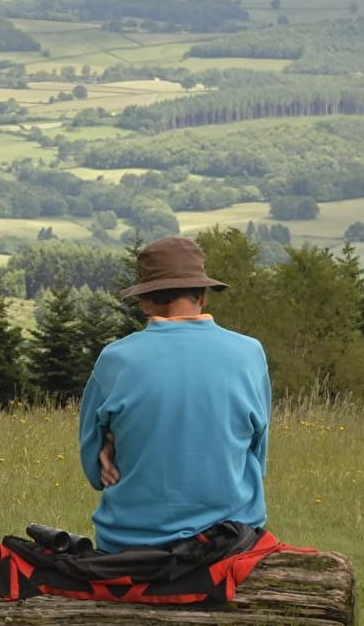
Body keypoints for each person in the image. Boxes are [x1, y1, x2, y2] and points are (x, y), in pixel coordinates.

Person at [78, 235, 271, 554]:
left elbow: (95, 471)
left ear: (145, 301)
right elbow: (257, 456)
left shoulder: (115, 360)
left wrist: (112, 444)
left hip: (129, 545)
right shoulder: (249, 354)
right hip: (229, 544)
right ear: (203, 295)